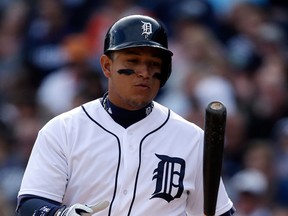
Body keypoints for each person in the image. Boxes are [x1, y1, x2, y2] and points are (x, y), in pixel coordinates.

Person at [16, 15, 235, 216]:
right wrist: (61, 214)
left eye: (154, 64)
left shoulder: (191, 139)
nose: (144, 72)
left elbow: (220, 212)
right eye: (132, 61)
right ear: (107, 66)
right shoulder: (63, 130)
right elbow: (30, 204)